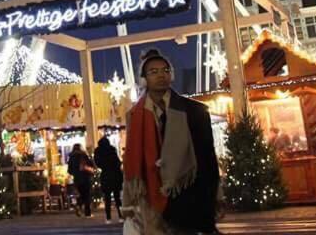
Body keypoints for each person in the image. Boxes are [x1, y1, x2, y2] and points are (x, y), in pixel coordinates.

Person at [123, 47, 221, 235]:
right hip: (150, 197)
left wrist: (213, 197)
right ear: (144, 78)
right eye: (153, 72)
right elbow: (133, 158)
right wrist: (129, 201)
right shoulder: (134, 115)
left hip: (185, 194)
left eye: (165, 70)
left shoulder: (194, 111)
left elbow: (208, 159)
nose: (161, 75)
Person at [94, 135, 123, 225]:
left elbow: (98, 163)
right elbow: (117, 162)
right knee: (117, 197)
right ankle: (121, 216)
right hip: (115, 175)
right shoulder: (112, 150)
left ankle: (108, 218)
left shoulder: (98, 151)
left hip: (105, 175)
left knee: (107, 198)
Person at [67, 143, 96, 218]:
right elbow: (91, 165)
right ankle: (87, 213)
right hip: (86, 177)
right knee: (87, 195)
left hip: (77, 179)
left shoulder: (71, 157)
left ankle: (78, 206)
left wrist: (75, 173)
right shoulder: (84, 155)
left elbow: (69, 170)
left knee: (80, 194)